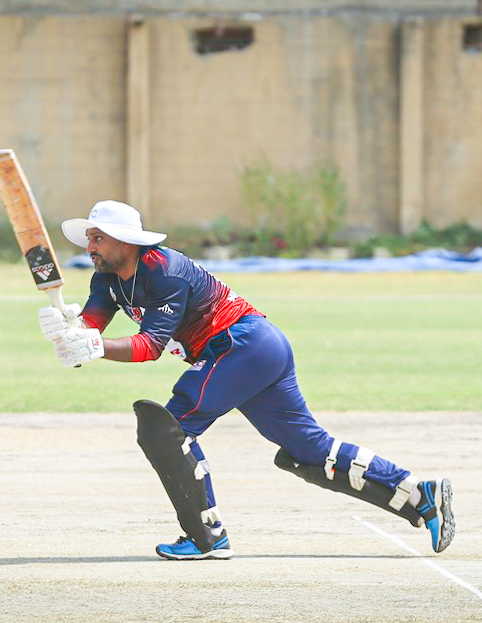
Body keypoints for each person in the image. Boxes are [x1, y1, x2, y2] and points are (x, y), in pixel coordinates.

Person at [40, 200, 454, 560]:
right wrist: (68, 331)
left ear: (126, 241)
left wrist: (92, 345)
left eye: (98, 238)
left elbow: (149, 346)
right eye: (89, 239)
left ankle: (206, 537)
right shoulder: (107, 279)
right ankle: (420, 495)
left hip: (243, 345)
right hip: (250, 351)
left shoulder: (164, 270)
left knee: (169, 428)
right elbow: (90, 331)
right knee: (309, 451)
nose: (89, 248)